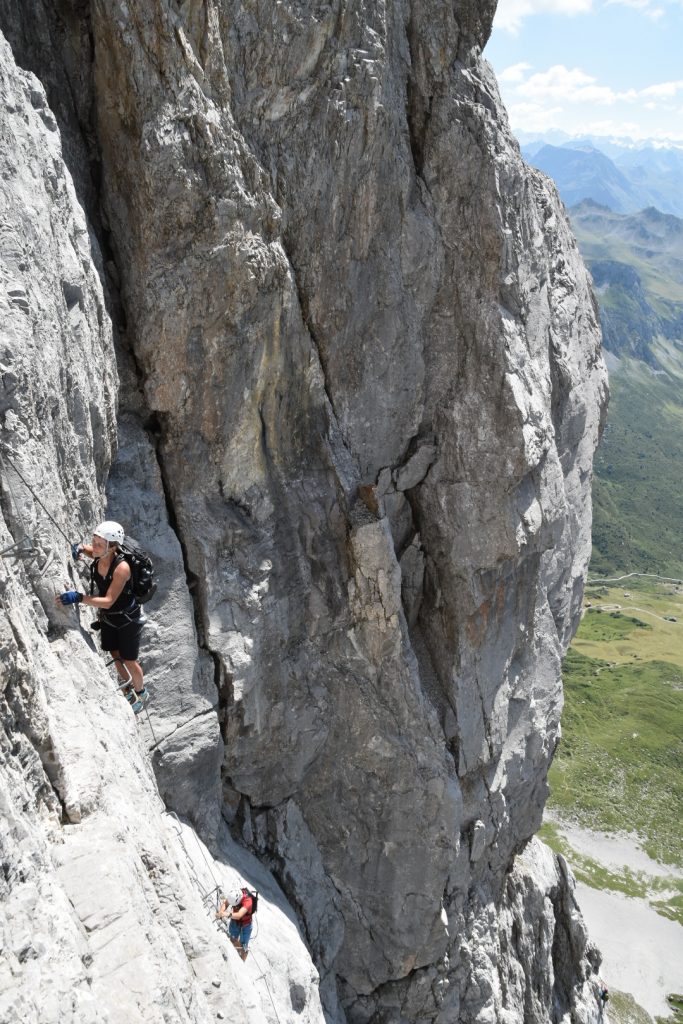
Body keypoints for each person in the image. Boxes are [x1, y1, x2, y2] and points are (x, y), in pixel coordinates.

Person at [56, 520, 149, 714]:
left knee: (129, 660)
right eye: (94, 540)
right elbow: (93, 552)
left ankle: (141, 691)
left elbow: (108, 600)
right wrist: (82, 549)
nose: (95, 546)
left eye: (100, 543)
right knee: (115, 654)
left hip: (127, 619)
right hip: (109, 617)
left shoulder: (122, 568)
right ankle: (127, 690)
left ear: (112, 547)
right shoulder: (100, 555)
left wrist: (79, 597)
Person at [217, 887, 253, 961]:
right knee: (232, 939)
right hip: (235, 921)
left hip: (246, 924)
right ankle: (233, 957)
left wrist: (225, 914)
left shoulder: (248, 901)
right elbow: (226, 903)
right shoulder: (234, 895)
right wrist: (221, 911)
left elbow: (239, 915)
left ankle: (242, 961)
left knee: (243, 947)